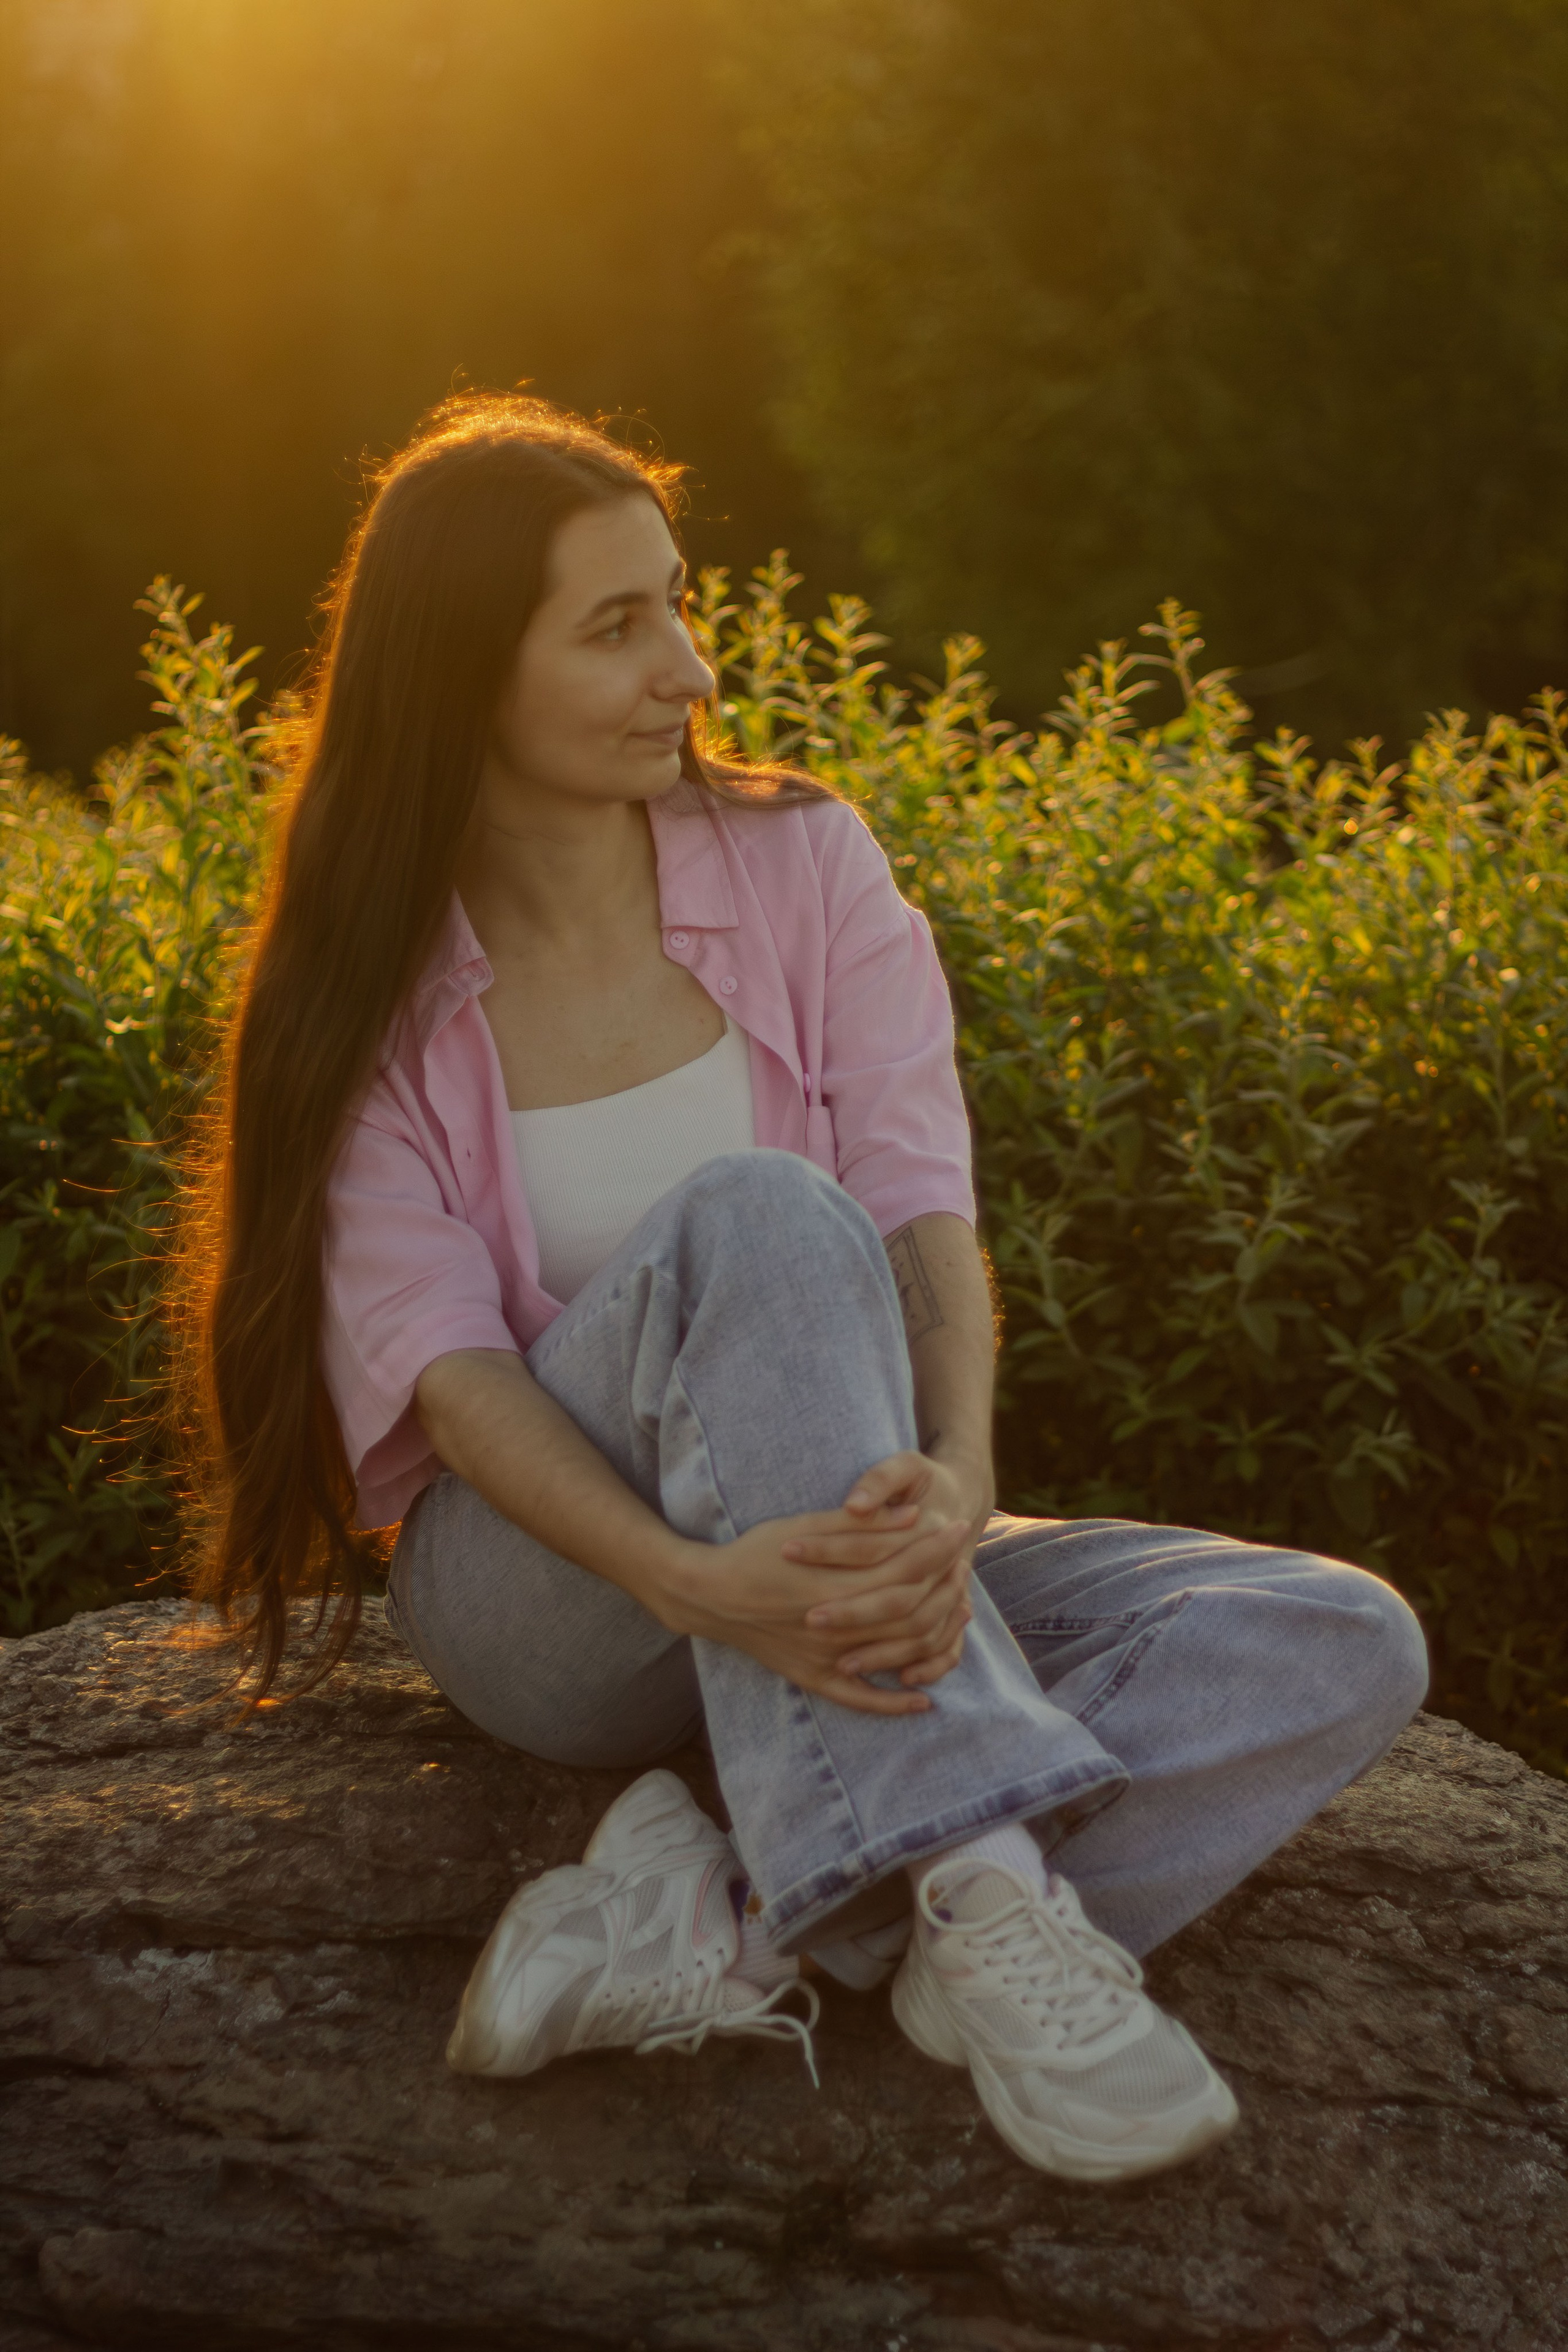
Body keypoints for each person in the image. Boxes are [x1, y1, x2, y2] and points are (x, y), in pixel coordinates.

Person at [184, 391, 1430, 2185]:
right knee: (763, 1214)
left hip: (822, 1548)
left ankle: (745, 1921)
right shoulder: (355, 986)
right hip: (559, 1594)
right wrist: (698, 1582)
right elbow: (450, 1380)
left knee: (1335, 1639)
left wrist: (965, 1483)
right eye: (616, 628)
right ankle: (990, 1901)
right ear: (463, 671)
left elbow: (925, 1210)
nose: (687, 668)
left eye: (679, 605)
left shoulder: (803, 860)